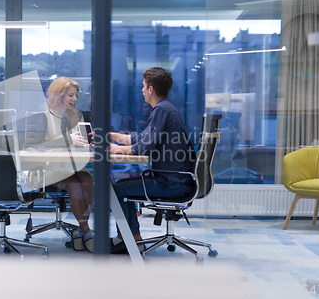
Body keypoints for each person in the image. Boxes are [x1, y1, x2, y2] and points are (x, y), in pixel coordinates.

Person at [108, 67, 196, 254]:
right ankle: (132, 238)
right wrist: (114, 136)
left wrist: (116, 149)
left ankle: (128, 238)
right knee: (122, 187)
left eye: (143, 86)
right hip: (175, 179)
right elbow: (142, 138)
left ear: (150, 89)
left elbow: (144, 147)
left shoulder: (162, 110)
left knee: (117, 190)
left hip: (172, 183)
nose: (141, 90)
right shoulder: (166, 108)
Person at [33, 77, 95, 252]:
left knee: (88, 180)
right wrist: (67, 139)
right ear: (59, 95)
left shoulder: (75, 115)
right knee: (75, 185)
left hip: (69, 166)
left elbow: (79, 143)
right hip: (48, 168)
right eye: (70, 95)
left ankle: (82, 231)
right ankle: (86, 231)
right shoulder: (43, 116)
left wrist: (87, 143)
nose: (74, 99)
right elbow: (36, 147)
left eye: (75, 95)